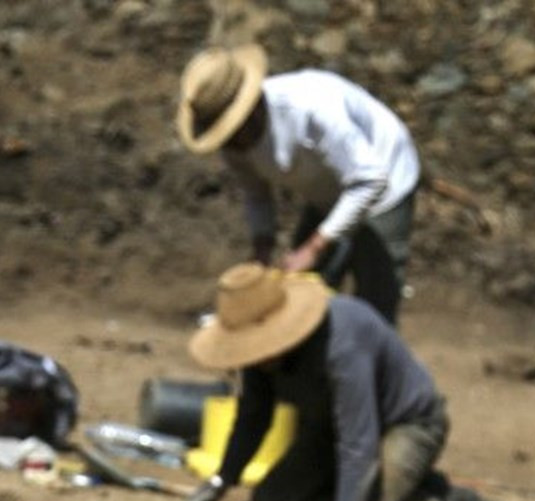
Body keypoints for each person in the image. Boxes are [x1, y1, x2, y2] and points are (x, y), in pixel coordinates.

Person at [179, 262, 521, 501]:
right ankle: (369, 496)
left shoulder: (342, 341)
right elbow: (254, 416)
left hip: (405, 425)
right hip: (327, 428)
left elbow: (358, 445)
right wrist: (221, 480)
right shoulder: (258, 357)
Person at [178, 45, 420, 324]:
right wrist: (262, 250)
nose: (230, 145)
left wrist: (314, 246)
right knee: (297, 291)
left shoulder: (310, 111)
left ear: (250, 111)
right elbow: (257, 195)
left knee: (375, 303)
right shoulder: (233, 143)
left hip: (384, 179)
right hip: (327, 188)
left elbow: (369, 180)